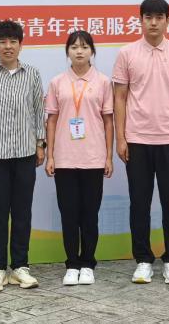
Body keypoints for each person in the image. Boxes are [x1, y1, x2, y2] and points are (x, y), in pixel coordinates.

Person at [112, 0, 169, 285]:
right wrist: (121, 138)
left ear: (167, 21)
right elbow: (119, 97)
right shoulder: (126, 53)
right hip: (137, 139)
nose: (153, 23)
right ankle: (143, 260)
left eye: (159, 17)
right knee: (139, 203)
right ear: (141, 20)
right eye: (148, 17)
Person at [0, 20, 46, 292]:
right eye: (2, 42)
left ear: (20, 45)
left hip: (25, 154)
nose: (8, 46)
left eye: (13, 41)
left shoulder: (32, 74)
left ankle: (20, 268)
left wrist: (40, 144)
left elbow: (39, 111)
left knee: (23, 213)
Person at [43, 31, 115, 286]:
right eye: (74, 47)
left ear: (92, 51)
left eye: (84, 47)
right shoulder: (57, 82)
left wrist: (108, 156)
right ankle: (72, 264)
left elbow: (108, 121)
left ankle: (88, 263)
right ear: (67, 52)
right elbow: (51, 120)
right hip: (64, 158)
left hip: (93, 158)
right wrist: (50, 155)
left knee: (90, 215)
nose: (79, 51)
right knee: (69, 214)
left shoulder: (103, 82)